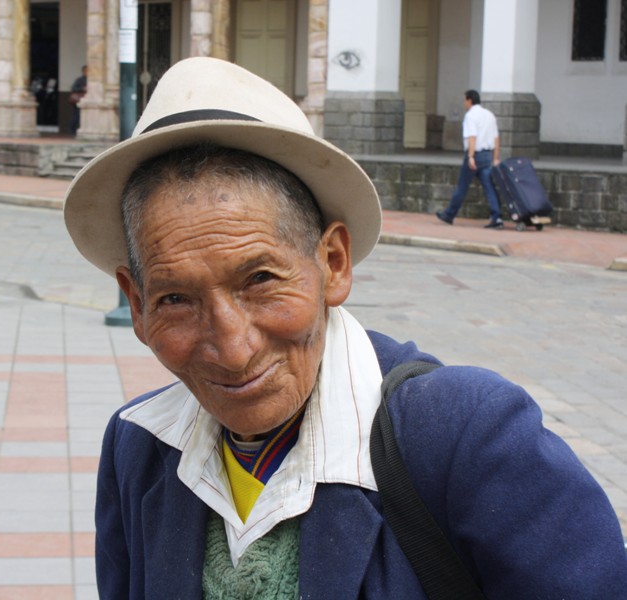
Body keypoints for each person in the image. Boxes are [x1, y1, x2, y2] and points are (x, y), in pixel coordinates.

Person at [63, 58, 627, 599]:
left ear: (333, 263)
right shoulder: (137, 448)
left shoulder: (467, 439)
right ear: (136, 305)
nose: (233, 351)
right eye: (176, 299)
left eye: (260, 279)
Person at [436, 89, 504, 229]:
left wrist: (471, 157)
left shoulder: (471, 116)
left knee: (462, 186)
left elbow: (472, 137)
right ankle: (497, 217)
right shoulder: (489, 115)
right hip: (487, 155)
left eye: (464, 100)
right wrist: (495, 158)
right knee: (489, 186)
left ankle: (449, 214)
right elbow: (496, 138)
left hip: (475, 154)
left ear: (469, 100)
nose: (464, 103)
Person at [69, 65, 87, 135]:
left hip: (86, 100)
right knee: (76, 116)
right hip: (79, 100)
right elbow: (74, 88)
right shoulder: (80, 80)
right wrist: (83, 88)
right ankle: (72, 130)